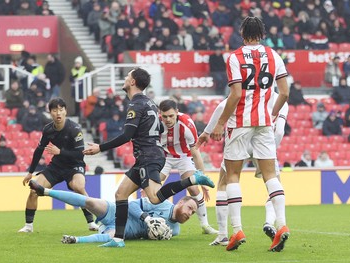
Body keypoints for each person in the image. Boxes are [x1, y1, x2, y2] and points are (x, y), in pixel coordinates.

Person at [83, 67, 215, 248]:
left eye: (128, 76)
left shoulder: (136, 104)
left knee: (153, 198)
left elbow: (126, 135)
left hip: (148, 156)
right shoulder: (150, 103)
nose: (125, 78)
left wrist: (100, 147)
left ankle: (192, 179)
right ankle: (118, 239)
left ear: (132, 82)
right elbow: (159, 129)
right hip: (148, 155)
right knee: (120, 194)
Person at [210, 17, 290, 252]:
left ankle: (237, 231)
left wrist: (220, 124)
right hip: (265, 124)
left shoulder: (234, 57)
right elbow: (284, 92)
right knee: (270, 176)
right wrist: (271, 114)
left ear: (242, 32)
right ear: (262, 33)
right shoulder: (274, 55)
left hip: (240, 123)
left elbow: (235, 94)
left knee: (232, 176)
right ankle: (282, 225)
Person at [198, 92, 289, 247]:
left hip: (241, 134)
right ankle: (273, 223)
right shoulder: (280, 99)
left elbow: (221, 107)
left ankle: (224, 234)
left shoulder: (245, 91)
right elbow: (279, 131)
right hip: (265, 139)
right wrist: (270, 153)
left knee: (225, 181)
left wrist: (207, 131)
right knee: (273, 181)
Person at [18, 98, 100, 233]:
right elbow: (39, 150)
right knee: (34, 190)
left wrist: (60, 152)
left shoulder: (75, 129)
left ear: (66, 111)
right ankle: (28, 226)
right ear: (50, 112)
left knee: (79, 187)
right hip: (56, 166)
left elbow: (80, 155)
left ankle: (91, 222)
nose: (58, 113)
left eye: (61, 110)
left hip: (74, 165)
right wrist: (30, 172)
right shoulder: (48, 129)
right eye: (55, 110)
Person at [28, 180, 197, 244]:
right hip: (116, 212)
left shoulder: (175, 231)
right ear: (181, 202)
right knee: (89, 201)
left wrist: (155, 234)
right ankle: (45, 191)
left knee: (110, 237)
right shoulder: (162, 204)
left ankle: (76, 240)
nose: (190, 214)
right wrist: (146, 218)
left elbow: (151, 237)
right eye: (190, 208)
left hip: (127, 232)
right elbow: (130, 205)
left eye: (193, 213)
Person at [158, 99, 218, 235]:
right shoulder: (155, 124)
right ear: (159, 114)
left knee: (192, 187)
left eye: (171, 116)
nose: (168, 119)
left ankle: (205, 225)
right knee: (153, 186)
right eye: (164, 116)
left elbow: (195, 152)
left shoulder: (187, 124)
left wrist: (202, 179)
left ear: (177, 112)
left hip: (184, 157)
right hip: (164, 158)